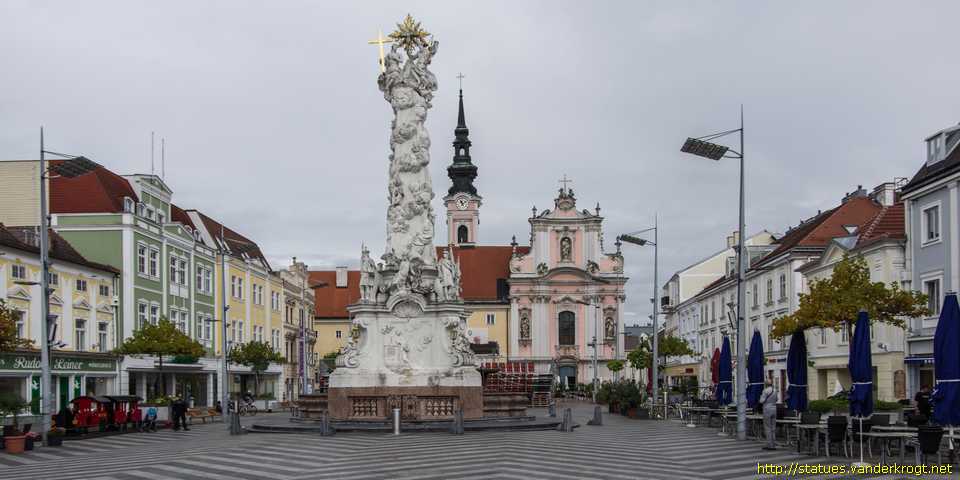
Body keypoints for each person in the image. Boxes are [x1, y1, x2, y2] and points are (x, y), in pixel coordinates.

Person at [759, 380, 779, 450]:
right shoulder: (775, 390)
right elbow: (776, 399)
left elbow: (761, 401)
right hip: (774, 409)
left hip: (767, 409)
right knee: (773, 427)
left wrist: (761, 397)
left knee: (767, 427)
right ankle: (773, 444)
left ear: (766, 384)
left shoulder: (765, 391)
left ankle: (769, 445)